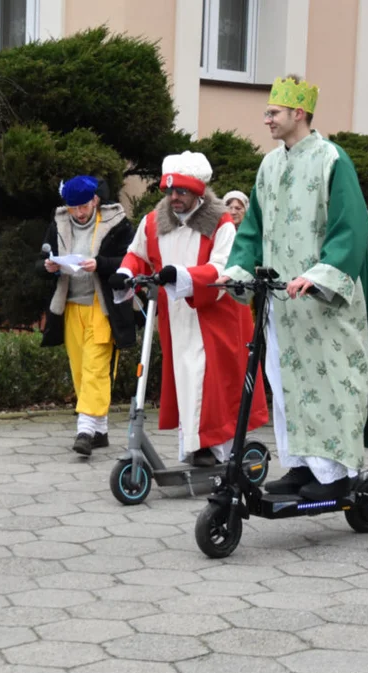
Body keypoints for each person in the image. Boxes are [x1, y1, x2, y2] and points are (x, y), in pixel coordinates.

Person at [219, 75, 368, 501]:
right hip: (282, 302)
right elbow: (252, 231)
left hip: (323, 304)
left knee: (331, 384)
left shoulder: (332, 160)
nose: (266, 120)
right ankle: (299, 466)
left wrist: (318, 276)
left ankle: (332, 473)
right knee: (284, 384)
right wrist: (238, 272)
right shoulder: (269, 165)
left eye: (273, 113)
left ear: (299, 113)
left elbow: (350, 229)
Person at [110, 152, 268, 467]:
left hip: (214, 315)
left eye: (181, 191)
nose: (174, 198)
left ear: (197, 192)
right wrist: (125, 274)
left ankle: (212, 448)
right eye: (169, 191)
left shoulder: (221, 222)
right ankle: (196, 446)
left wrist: (183, 276)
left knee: (207, 379)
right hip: (176, 317)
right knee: (186, 379)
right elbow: (136, 254)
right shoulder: (154, 221)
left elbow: (224, 267)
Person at [39, 175, 136, 456]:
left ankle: (84, 430)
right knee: (81, 370)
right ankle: (101, 430)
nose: (79, 213)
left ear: (95, 200)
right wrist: (48, 266)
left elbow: (132, 259)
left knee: (96, 366)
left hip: (102, 306)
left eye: (83, 206)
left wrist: (101, 264)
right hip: (70, 306)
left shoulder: (116, 223)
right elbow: (40, 260)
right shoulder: (58, 223)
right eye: (73, 208)